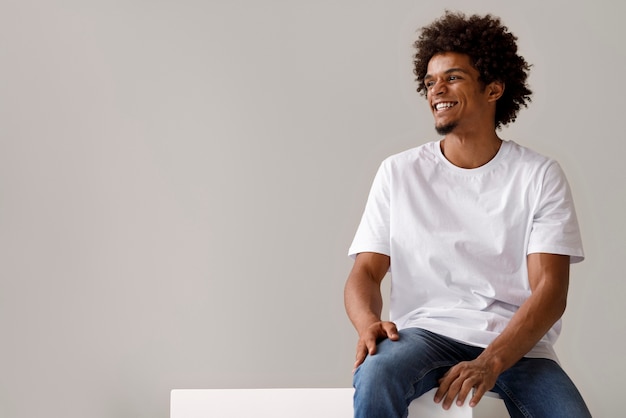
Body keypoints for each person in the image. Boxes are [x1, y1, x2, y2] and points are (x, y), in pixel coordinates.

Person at [344, 11, 592, 418]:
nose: (436, 90)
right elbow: (366, 272)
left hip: (519, 346)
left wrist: (492, 360)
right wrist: (367, 320)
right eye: (429, 81)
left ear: (493, 89)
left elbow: (550, 290)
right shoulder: (399, 172)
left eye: (453, 77)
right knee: (376, 373)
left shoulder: (538, 175)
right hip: (424, 334)